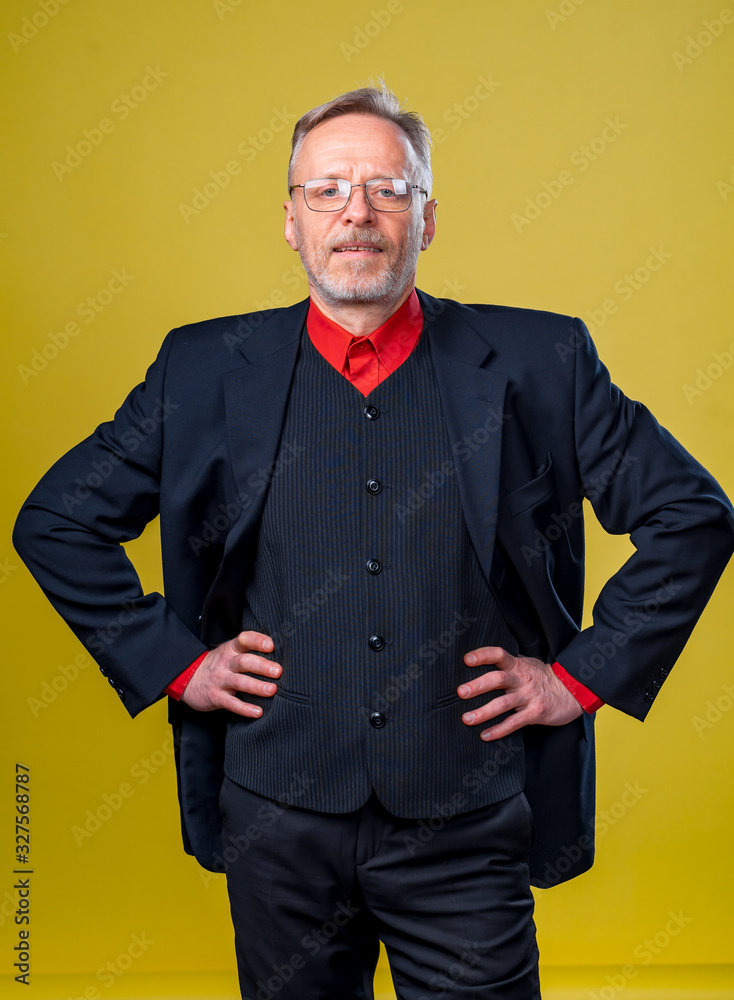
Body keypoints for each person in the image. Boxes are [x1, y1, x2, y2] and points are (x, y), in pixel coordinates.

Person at [13, 84, 733, 998]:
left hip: (467, 819)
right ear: (290, 221)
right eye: (327, 191)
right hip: (273, 816)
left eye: (387, 190)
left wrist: (576, 678)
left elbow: (692, 515)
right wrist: (177, 664)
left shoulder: (541, 361)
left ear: (426, 220)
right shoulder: (199, 368)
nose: (356, 213)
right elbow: (58, 519)